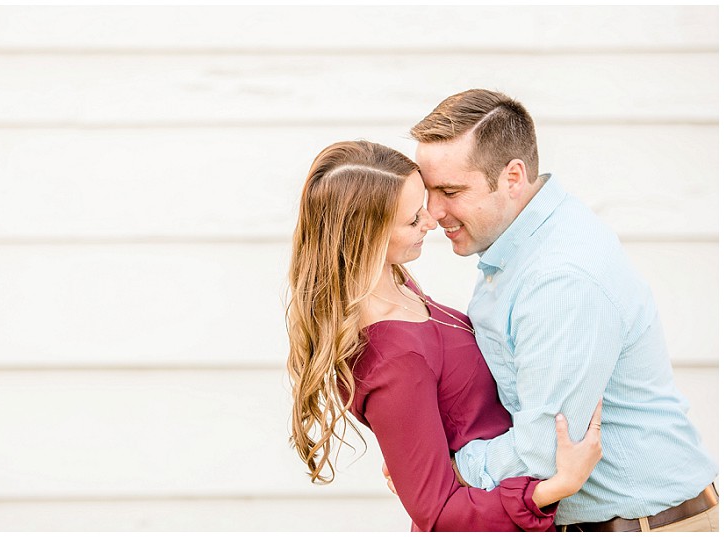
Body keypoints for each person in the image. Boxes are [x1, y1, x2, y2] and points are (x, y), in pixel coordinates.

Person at [392, 88, 718, 531]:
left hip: (644, 525)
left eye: (450, 191)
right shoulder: (516, 241)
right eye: (429, 190)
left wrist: (442, 466)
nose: (432, 211)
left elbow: (543, 450)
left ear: (512, 177)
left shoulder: (560, 278)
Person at [286, 140, 603, 531]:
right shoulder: (393, 357)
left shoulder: (402, 288)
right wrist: (555, 486)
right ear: (367, 235)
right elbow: (436, 512)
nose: (430, 221)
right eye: (413, 219)